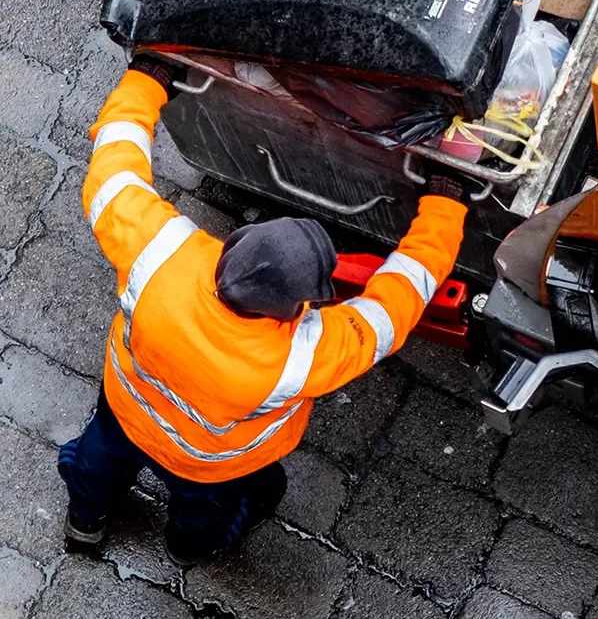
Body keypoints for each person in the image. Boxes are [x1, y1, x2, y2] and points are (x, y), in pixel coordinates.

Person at [59, 56, 469, 566]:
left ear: (231, 247)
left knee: (95, 467)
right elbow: (393, 307)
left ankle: (85, 523)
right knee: (207, 514)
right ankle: (189, 551)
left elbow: (113, 171)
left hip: (125, 409)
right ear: (296, 307)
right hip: (209, 465)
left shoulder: (161, 254)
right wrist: (445, 205)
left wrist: (147, 78)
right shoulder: (301, 355)